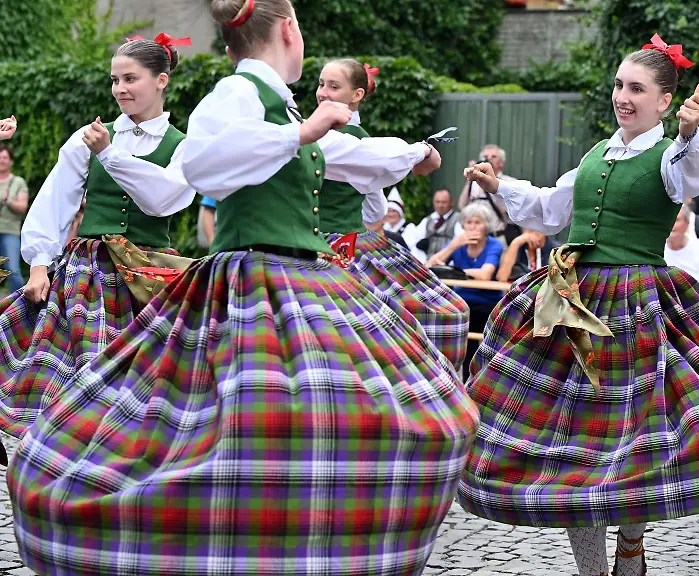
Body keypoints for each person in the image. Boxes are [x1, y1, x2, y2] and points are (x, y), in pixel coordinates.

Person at [7, 2, 479, 575]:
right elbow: (204, 165)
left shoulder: (279, 104)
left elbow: (342, 154)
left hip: (306, 282)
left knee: (391, 419)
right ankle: (231, 544)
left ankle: (303, 544)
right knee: (240, 433)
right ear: (288, 29)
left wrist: (412, 154)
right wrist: (301, 132)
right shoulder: (238, 95)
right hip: (251, 284)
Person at [459, 34, 699, 576]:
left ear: (663, 100)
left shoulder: (672, 154)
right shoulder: (594, 154)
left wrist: (690, 133)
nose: (622, 97)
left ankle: (630, 539)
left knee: (633, 436)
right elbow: (550, 208)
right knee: (573, 443)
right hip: (568, 299)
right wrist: (499, 184)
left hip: (635, 305)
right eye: (618, 85)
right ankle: (592, 569)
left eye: (636, 88)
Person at [0, 35, 196, 450]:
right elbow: (55, 200)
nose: (120, 89)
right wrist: (38, 264)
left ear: (161, 80)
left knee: (147, 376)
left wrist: (110, 156)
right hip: (88, 272)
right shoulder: (88, 137)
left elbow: (164, 200)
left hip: (149, 275)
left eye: (131, 78)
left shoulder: (184, 146)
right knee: (73, 364)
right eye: (114, 80)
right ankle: (60, 456)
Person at [315, 57, 470, 372]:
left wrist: (421, 151)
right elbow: (376, 208)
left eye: (333, 86)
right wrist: (423, 150)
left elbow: (375, 204)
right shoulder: (356, 139)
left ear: (357, 95)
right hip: (349, 243)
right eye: (320, 84)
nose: (322, 92)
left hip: (327, 246)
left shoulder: (329, 136)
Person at [426, 203, 504, 377]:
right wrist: (453, 245)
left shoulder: (494, 245)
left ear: (487, 226)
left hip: (487, 302)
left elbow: (485, 273)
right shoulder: (458, 243)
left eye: (478, 222)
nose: (473, 227)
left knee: (482, 343)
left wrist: (455, 272)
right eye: (469, 222)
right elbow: (430, 266)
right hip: (462, 302)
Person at [664, 203, 699, 290]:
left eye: (676, 220)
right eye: (666, 220)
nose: (670, 224)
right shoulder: (653, 251)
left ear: (687, 223)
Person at [0, 145, 29, 289]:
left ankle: (20, 307)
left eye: (5, 157)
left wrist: (8, 201)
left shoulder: (18, 182)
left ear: (11, 162)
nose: (2, 160)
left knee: (13, 270)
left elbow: (22, 207)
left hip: (10, 231)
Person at [495, 226, 561, 282]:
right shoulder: (517, 248)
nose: (534, 232)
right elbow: (502, 277)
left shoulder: (557, 250)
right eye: (529, 227)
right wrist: (515, 243)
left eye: (538, 227)